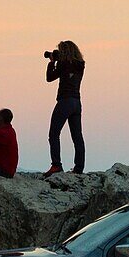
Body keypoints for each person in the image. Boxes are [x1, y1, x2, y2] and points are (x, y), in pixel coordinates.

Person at [43, 40, 85, 176]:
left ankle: (56, 165)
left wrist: (52, 62)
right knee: (77, 136)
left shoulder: (63, 64)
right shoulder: (80, 65)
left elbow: (49, 78)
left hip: (64, 101)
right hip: (76, 103)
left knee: (53, 134)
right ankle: (79, 168)